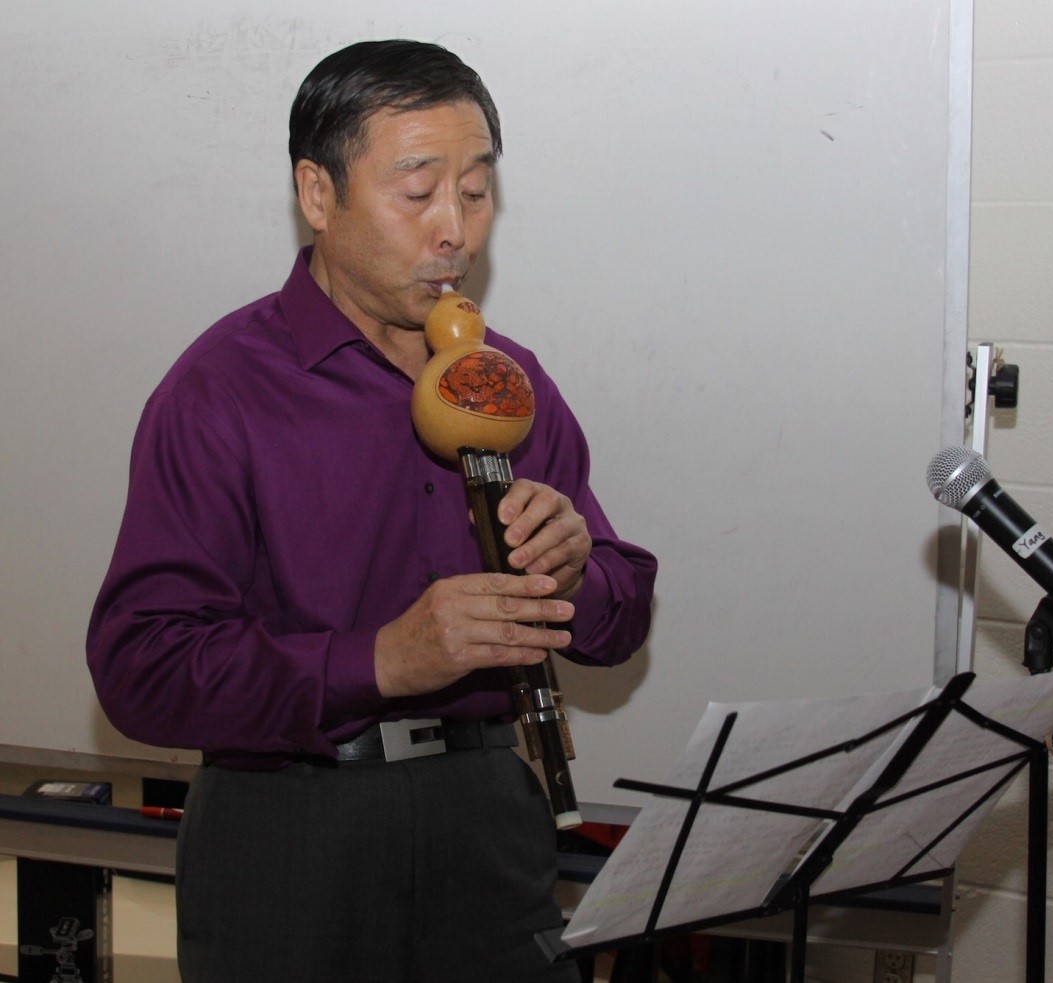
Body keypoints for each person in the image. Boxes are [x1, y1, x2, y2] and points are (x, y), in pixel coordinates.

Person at [87, 39, 656, 983]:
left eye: (475, 192)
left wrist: (575, 571)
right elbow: (141, 667)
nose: (454, 232)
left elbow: (618, 617)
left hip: (488, 817)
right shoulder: (221, 389)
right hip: (290, 828)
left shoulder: (505, 378)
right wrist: (385, 657)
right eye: (418, 191)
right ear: (318, 194)